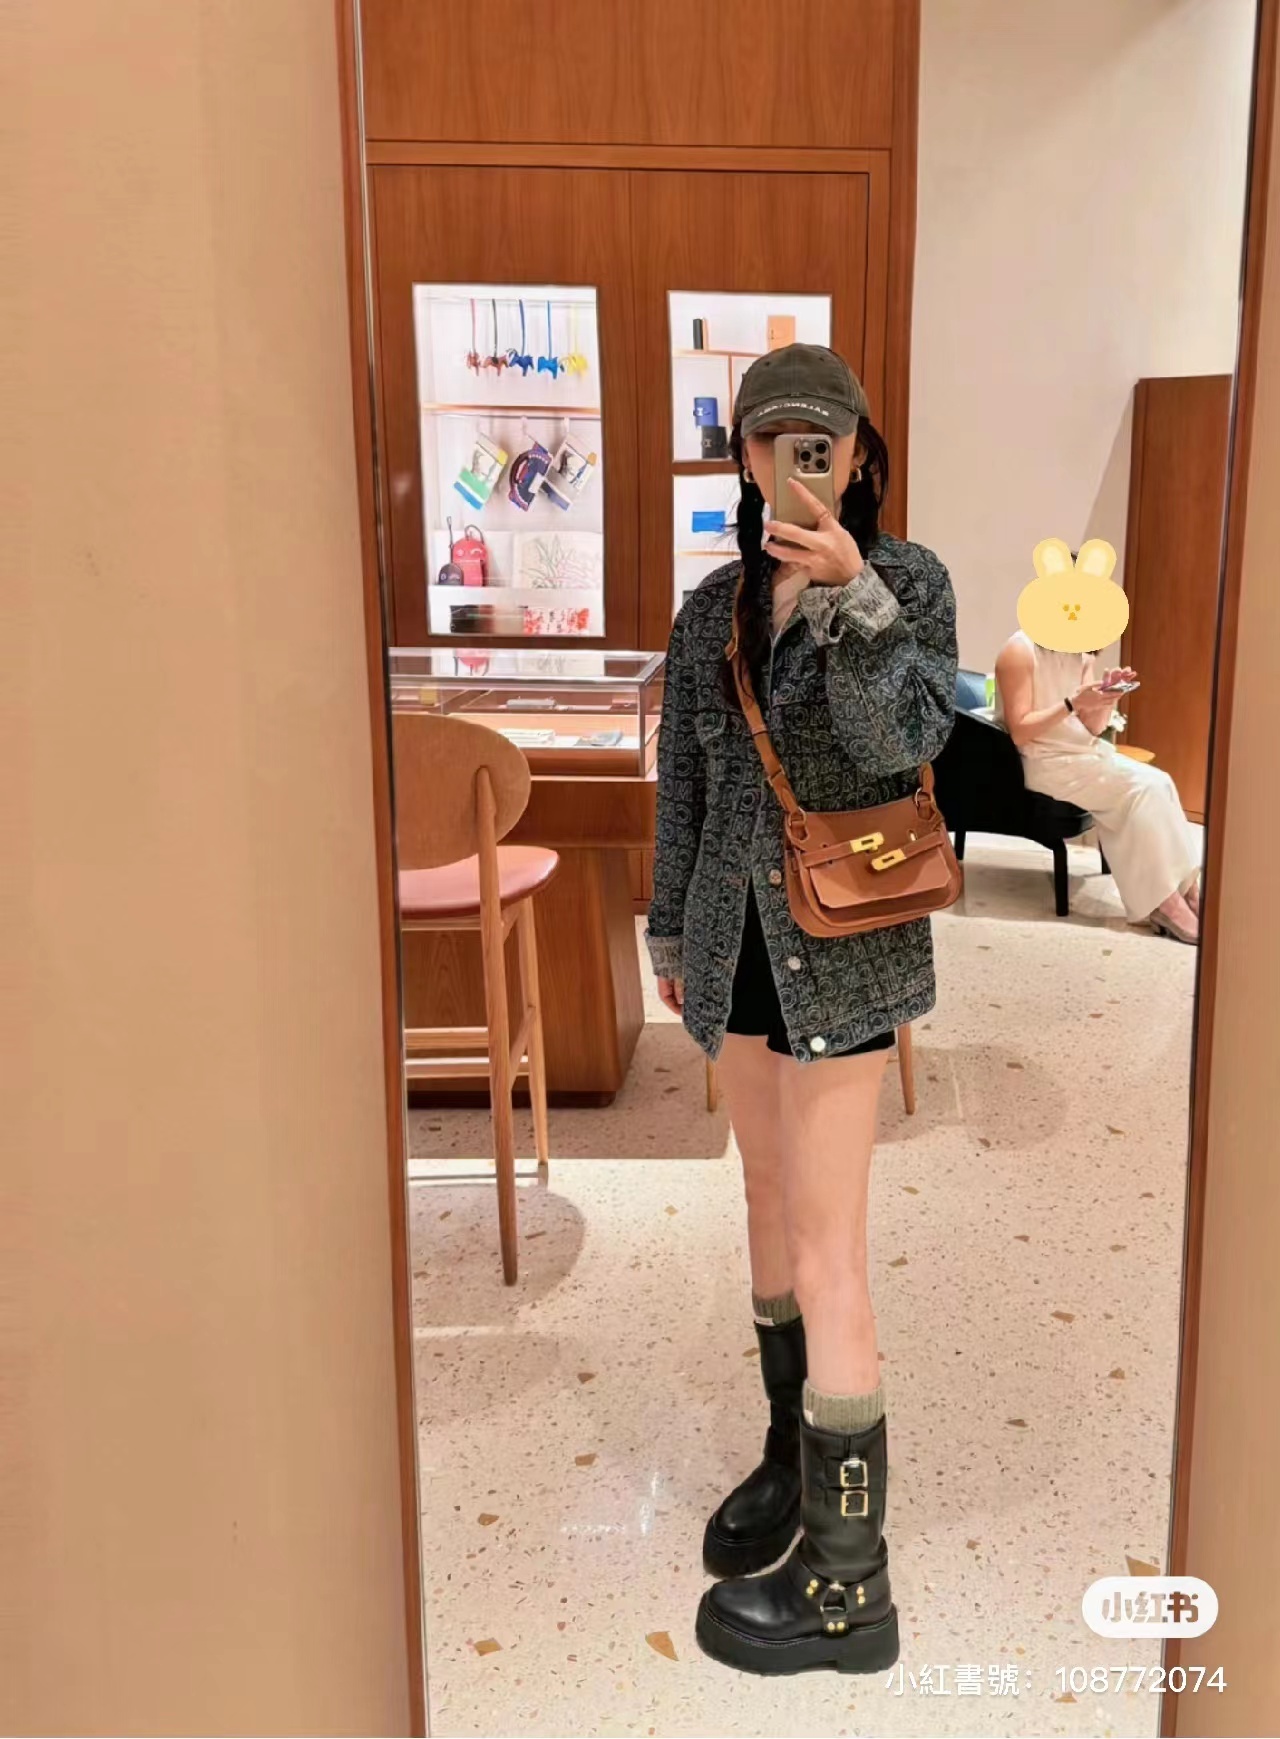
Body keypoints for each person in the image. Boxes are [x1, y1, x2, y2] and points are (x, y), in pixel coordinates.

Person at [645, 344, 957, 1675]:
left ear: (860, 453)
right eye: (771, 440)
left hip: (843, 949)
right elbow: (685, 782)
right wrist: (669, 926)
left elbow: (910, 742)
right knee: (767, 1213)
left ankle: (847, 1580)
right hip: (737, 947)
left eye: (819, 441)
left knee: (830, 1247)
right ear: (744, 458)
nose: (795, 461)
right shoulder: (710, 607)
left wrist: (852, 601)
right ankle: (789, 1453)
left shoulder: (908, 582)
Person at [993, 627, 1201, 941]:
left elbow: (1092, 728)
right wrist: (1071, 702)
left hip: (1081, 753)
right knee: (1142, 791)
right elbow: (1019, 731)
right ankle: (1165, 903)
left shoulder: (1081, 655)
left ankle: (1187, 891)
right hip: (1042, 761)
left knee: (1160, 781)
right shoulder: (1019, 650)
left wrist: (1106, 699)